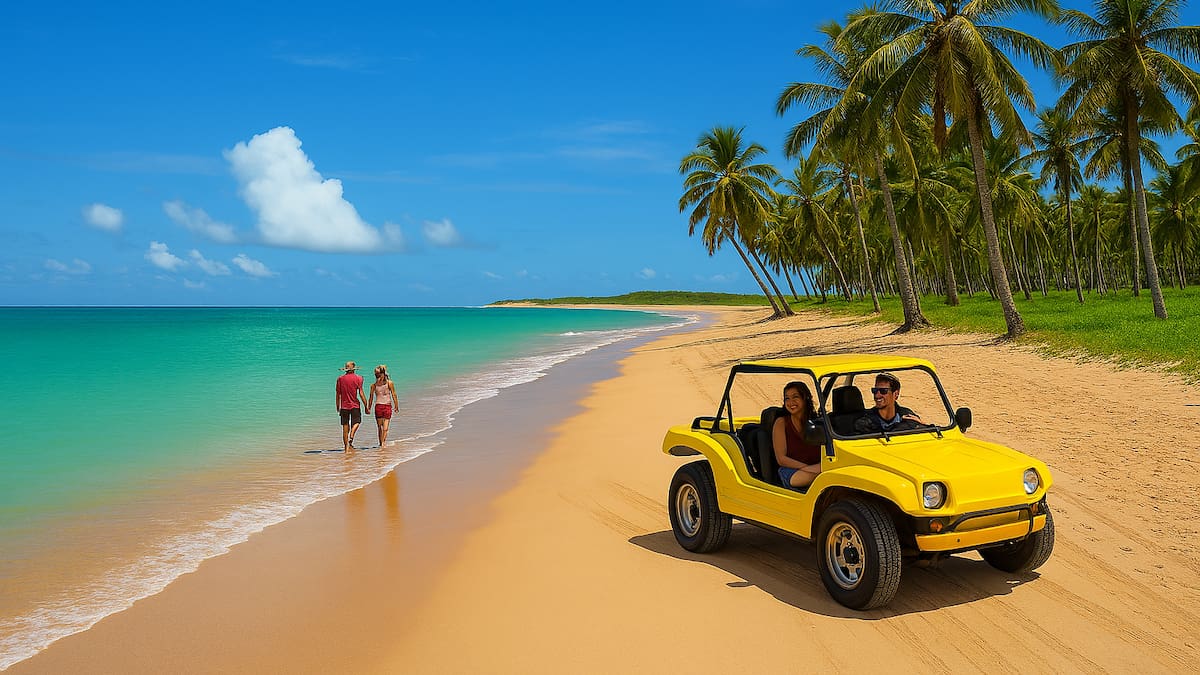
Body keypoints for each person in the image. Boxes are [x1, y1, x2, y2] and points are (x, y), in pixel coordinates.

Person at [773, 381, 823, 489]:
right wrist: (807, 468)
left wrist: (816, 468)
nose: (791, 402)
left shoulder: (818, 422)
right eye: (787, 398)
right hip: (792, 470)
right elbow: (781, 459)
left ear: (805, 398)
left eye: (795, 397)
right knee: (821, 477)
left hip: (819, 467)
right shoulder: (781, 423)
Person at [853, 372, 923, 435]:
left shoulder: (908, 416)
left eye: (883, 391)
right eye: (875, 390)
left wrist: (923, 425)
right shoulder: (865, 421)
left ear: (896, 394)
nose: (877, 395)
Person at [336, 361, 369, 452]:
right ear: (354, 369)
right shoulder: (359, 378)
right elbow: (361, 393)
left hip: (344, 406)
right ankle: (352, 435)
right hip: (355, 405)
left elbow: (338, 394)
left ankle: (346, 448)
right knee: (357, 421)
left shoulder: (340, 379)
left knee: (345, 427)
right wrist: (366, 405)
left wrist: (337, 405)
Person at [367, 364, 399, 448]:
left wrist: (396, 405)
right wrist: (368, 407)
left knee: (385, 428)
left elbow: (394, 394)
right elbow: (370, 397)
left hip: (387, 406)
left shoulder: (389, 383)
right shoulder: (373, 385)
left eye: (377, 374)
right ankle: (381, 443)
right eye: (375, 374)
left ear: (382, 373)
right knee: (379, 427)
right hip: (378, 406)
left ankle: (383, 442)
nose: (376, 376)